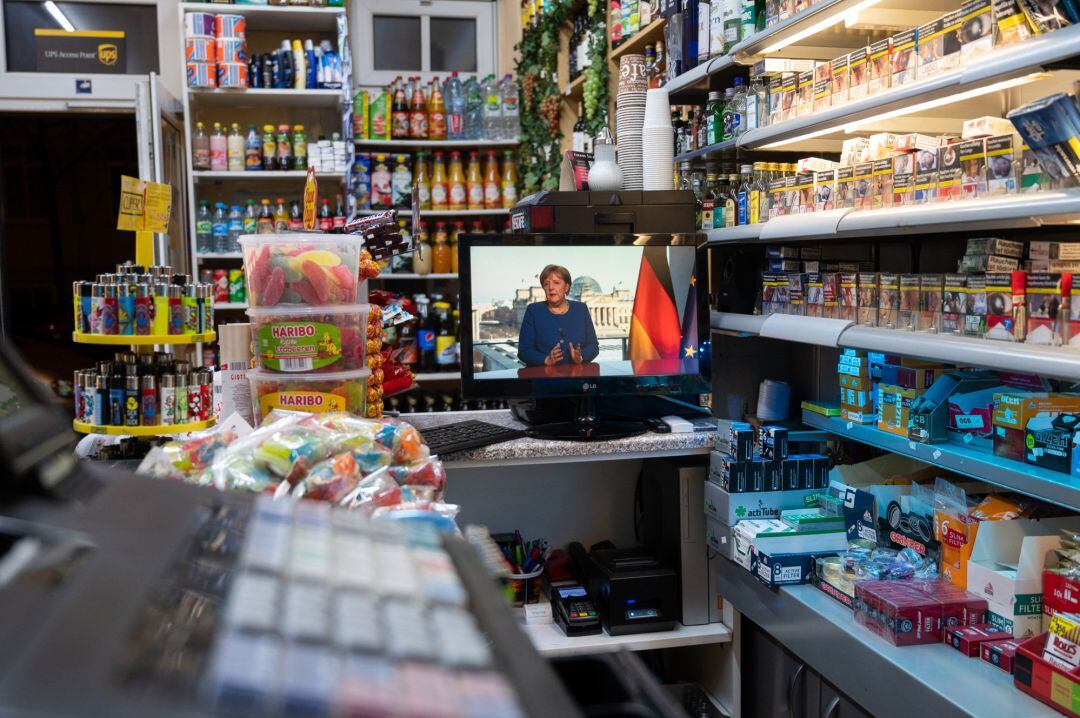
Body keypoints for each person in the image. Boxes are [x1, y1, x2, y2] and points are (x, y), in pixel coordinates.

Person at [517, 264, 599, 367]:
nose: (551, 287)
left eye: (556, 283)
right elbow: (524, 351)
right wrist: (546, 359)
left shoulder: (581, 309)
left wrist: (581, 357)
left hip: (576, 378)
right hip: (544, 378)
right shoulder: (533, 311)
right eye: (546, 284)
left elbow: (593, 346)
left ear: (567, 287)